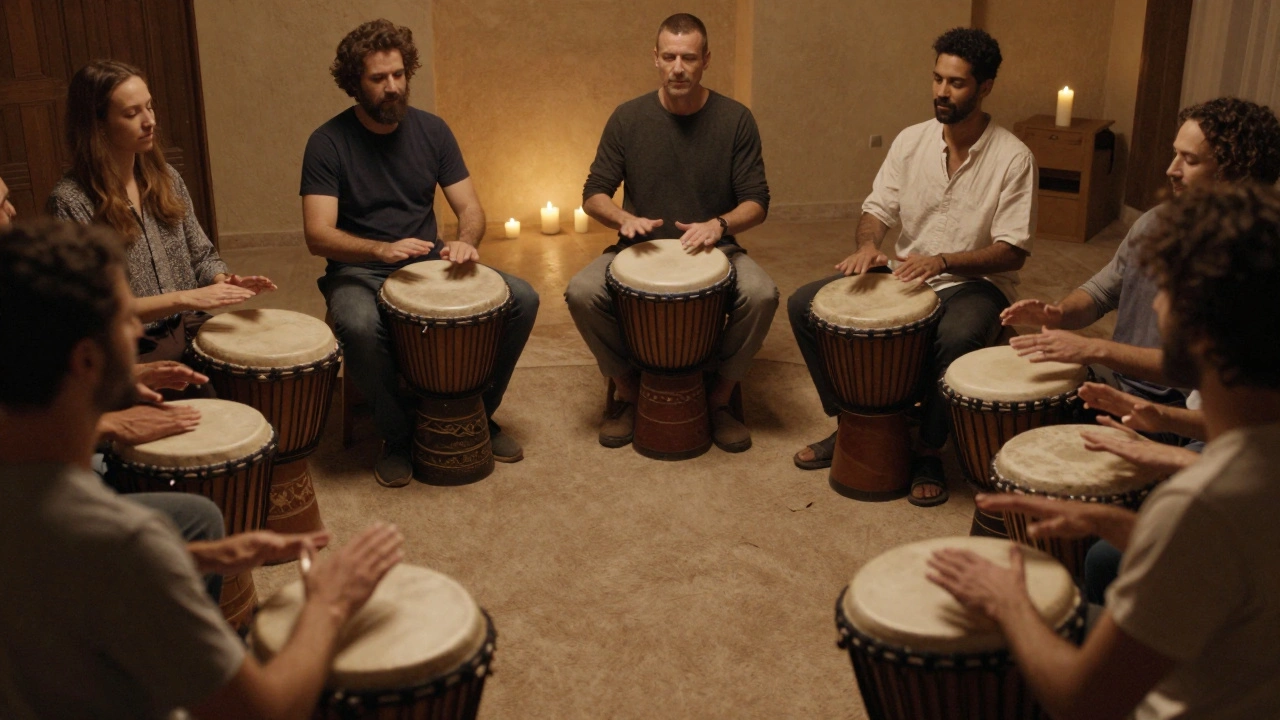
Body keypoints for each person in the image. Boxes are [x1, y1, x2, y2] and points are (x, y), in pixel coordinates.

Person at [0, 217, 405, 720]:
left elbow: (55, 568)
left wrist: (188, 556)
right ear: (86, 361)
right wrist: (329, 604)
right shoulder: (125, 543)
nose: (137, 331)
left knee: (195, 518)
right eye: (126, 318)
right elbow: (267, 710)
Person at [928, 183, 1280, 720]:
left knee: (985, 644)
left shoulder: (1200, 503)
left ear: (1207, 335)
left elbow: (1082, 699)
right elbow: (1242, 564)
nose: (1155, 303)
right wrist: (1117, 525)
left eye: (1169, 293)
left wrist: (1008, 601)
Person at [788, 27, 1035, 505]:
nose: (942, 92)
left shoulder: (1013, 157)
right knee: (805, 305)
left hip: (974, 282)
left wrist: (943, 261)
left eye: (957, 83)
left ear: (984, 88)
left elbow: (1012, 250)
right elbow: (877, 208)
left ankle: (928, 448)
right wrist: (867, 245)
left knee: (958, 335)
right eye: (938, 79)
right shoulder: (911, 141)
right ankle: (854, 425)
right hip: (905, 273)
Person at [302, 19, 539, 488]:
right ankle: (396, 436)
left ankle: (475, 416)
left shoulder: (433, 131)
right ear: (355, 83)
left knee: (524, 298)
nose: (392, 87)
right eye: (378, 78)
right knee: (355, 323)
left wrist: (467, 239)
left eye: (398, 75)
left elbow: (470, 207)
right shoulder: (327, 143)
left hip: (431, 265)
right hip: (360, 271)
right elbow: (317, 235)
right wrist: (380, 248)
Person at [3, 170, 226, 600]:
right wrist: (108, 424)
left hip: (42, 473)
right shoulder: (59, 219)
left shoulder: (12, 282)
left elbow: (47, 372)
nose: (13, 209)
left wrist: (133, 376)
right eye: (1, 204)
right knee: (196, 521)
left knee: (197, 401)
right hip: (30, 501)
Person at [567, 13, 777, 453]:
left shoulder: (736, 119)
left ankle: (718, 400)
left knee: (761, 294)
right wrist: (621, 219)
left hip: (718, 248)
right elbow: (593, 193)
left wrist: (718, 225)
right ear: (655, 59)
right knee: (581, 291)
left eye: (689, 57)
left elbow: (756, 201)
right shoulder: (627, 118)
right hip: (639, 249)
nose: (678, 67)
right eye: (669, 57)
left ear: (705, 61)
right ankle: (628, 392)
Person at [1003, 98, 1280, 426]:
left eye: (1188, 160)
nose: (1171, 170)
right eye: (1175, 153)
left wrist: (1095, 349)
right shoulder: (1154, 223)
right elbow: (1103, 291)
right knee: (1022, 396)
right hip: (1120, 382)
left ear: (1233, 173)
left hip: (1189, 414)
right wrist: (1061, 313)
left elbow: (1203, 369)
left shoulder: (1257, 260)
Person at [47, 60, 276, 364]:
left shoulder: (166, 178)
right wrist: (185, 298)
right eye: (132, 113)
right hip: (127, 347)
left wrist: (222, 282)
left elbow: (202, 257)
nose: (149, 121)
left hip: (187, 326)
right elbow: (92, 308)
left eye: (150, 107)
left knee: (259, 358)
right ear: (97, 124)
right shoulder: (70, 201)